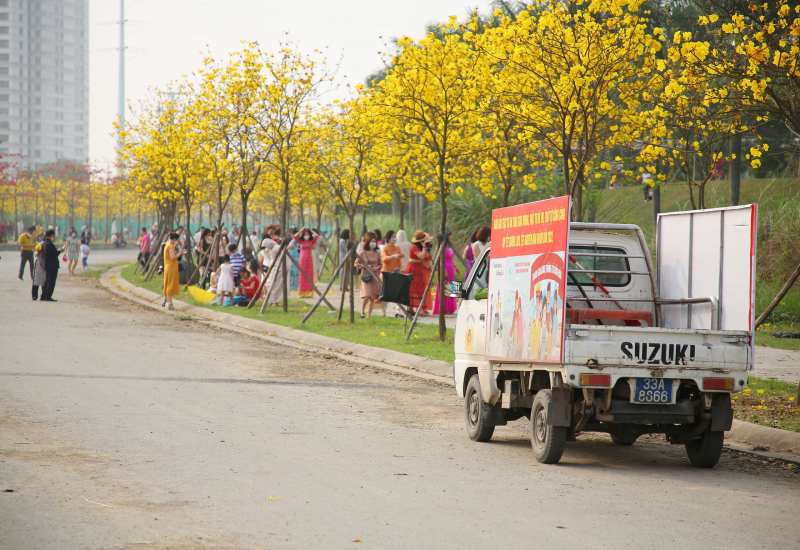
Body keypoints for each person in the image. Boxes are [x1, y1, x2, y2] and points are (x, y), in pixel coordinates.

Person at [404, 230, 433, 316]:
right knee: (413, 289)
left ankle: (412, 308)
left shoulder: (420, 247)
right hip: (412, 269)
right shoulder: (414, 247)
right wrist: (424, 247)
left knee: (419, 289)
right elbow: (421, 256)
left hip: (419, 269)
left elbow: (423, 260)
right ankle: (415, 308)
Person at [354, 232, 383, 319]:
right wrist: (365, 266)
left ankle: (369, 315)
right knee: (367, 294)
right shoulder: (362, 253)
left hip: (375, 276)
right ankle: (362, 310)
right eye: (371, 241)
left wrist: (376, 268)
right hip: (366, 276)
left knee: (372, 297)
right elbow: (356, 263)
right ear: (367, 242)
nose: (373, 243)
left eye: (374, 241)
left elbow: (381, 264)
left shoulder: (377, 253)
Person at [434, 235, 460, 315]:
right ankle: (444, 308)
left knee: (451, 286)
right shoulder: (441, 247)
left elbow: (450, 259)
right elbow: (440, 260)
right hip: (445, 268)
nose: (450, 239)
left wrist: (455, 267)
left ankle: (450, 308)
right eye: (449, 237)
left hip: (450, 268)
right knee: (444, 286)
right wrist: (444, 271)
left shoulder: (449, 247)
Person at [380, 230, 404, 317]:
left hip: (395, 272)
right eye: (393, 237)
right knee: (385, 293)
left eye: (395, 236)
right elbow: (384, 259)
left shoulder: (398, 248)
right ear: (388, 238)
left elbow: (400, 260)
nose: (395, 238)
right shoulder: (385, 248)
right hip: (386, 272)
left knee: (396, 293)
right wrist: (393, 256)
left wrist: (400, 270)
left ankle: (397, 311)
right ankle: (383, 311)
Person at [293, 226, 319, 298]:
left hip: (309, 260)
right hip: (302, 259)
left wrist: (310, 229)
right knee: (302, 275)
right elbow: (295, 236)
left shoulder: (311, 241)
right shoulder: (301, 241)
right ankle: (302, 293)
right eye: (305, 235)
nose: (306, 236)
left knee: (309, 276)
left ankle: (309, 293)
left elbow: (317, 236)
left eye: (307, 234)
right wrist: (301, 230)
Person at [163, 232, 186, 311]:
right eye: (177, 240)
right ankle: (170, 304)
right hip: (171, 268)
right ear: (175, 239)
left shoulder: (168, 245)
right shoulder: (170, 246)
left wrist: (175, 247)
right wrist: (180, 253)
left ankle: (169, 303)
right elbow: (173, 257)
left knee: (168, 284)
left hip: (168, 267)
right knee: (170, 286)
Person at [40, 229, 62, 302]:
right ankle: (48, 296)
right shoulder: (49, 244)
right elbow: (55, 253)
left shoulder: (44, 243)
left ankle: (44, 295)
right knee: (51, 281)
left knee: (46, 281)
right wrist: (60, 251)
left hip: (46, 264)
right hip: (52, 265)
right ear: (52, 235)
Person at [288, 227, 299, 292]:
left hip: (294, 256)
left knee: (293, 271)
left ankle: (294, 286)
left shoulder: (295, 240)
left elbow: (289, 247)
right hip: (292, 256)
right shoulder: (294, 239)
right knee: (292, 271)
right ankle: (292, 285)